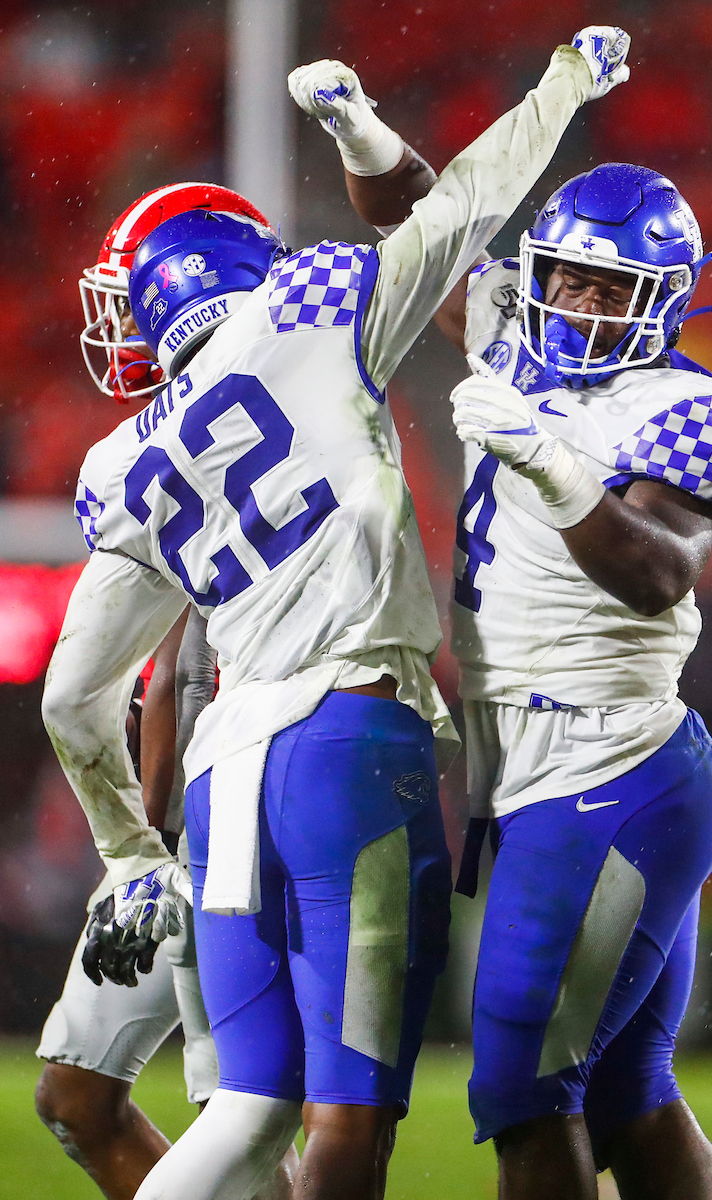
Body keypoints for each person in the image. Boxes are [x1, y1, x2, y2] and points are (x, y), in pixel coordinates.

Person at [41, 30, 628, 1200]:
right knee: (347, 1120)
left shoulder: (127, 457)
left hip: (220, 779)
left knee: (245, 1113)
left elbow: (71, 696)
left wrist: (123, 852)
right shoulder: (309, 307)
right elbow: (463, 206)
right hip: (350, 745)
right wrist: (564, 84)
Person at [291, 35, 712, 1200]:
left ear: (665, 304)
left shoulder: (687, 408)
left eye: (610, 290)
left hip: (609, 759)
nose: (576, 304)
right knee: (627, 1098)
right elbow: (423, 216)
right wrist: (364, 135)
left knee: (518, 1090)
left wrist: (547, 464)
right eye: (564, 278)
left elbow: (655, 572)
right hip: (531, 758)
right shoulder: (515, 330)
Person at [36, 183, 299, 1200]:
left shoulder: (162, 450)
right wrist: (137, 854)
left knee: (240, 1125)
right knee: (78, 1097)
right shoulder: (163, 440)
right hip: (181, 822)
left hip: (238, 803)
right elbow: (160, 670)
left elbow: (116, 684)